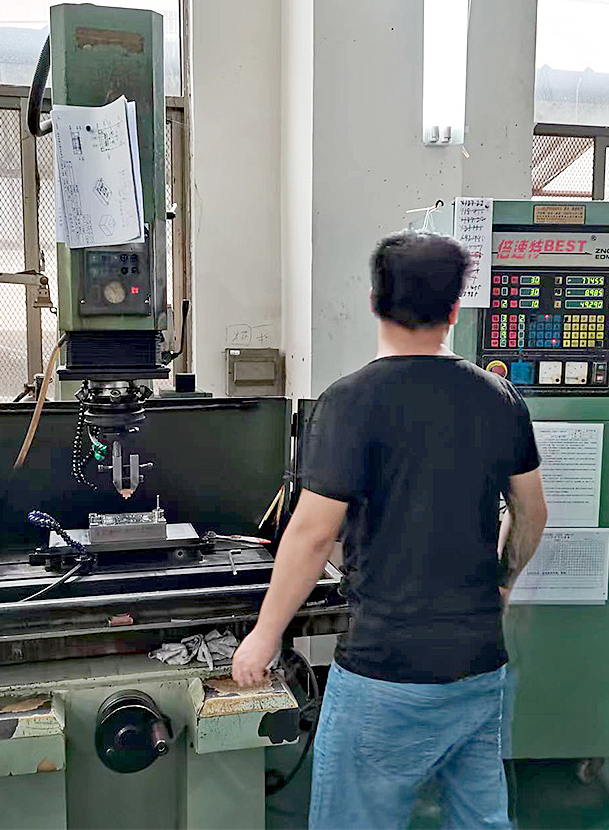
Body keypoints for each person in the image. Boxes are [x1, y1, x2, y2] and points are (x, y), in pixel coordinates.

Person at [232, 230, 548, 829]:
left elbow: (312, 535)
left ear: (374, 301)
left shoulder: (350, 401)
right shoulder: (499, 397)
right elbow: (531, 512)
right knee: (480, 818)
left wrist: (265, 636)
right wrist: (503, 583)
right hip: (479, 664)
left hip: (387, 670)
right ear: (455, 310)